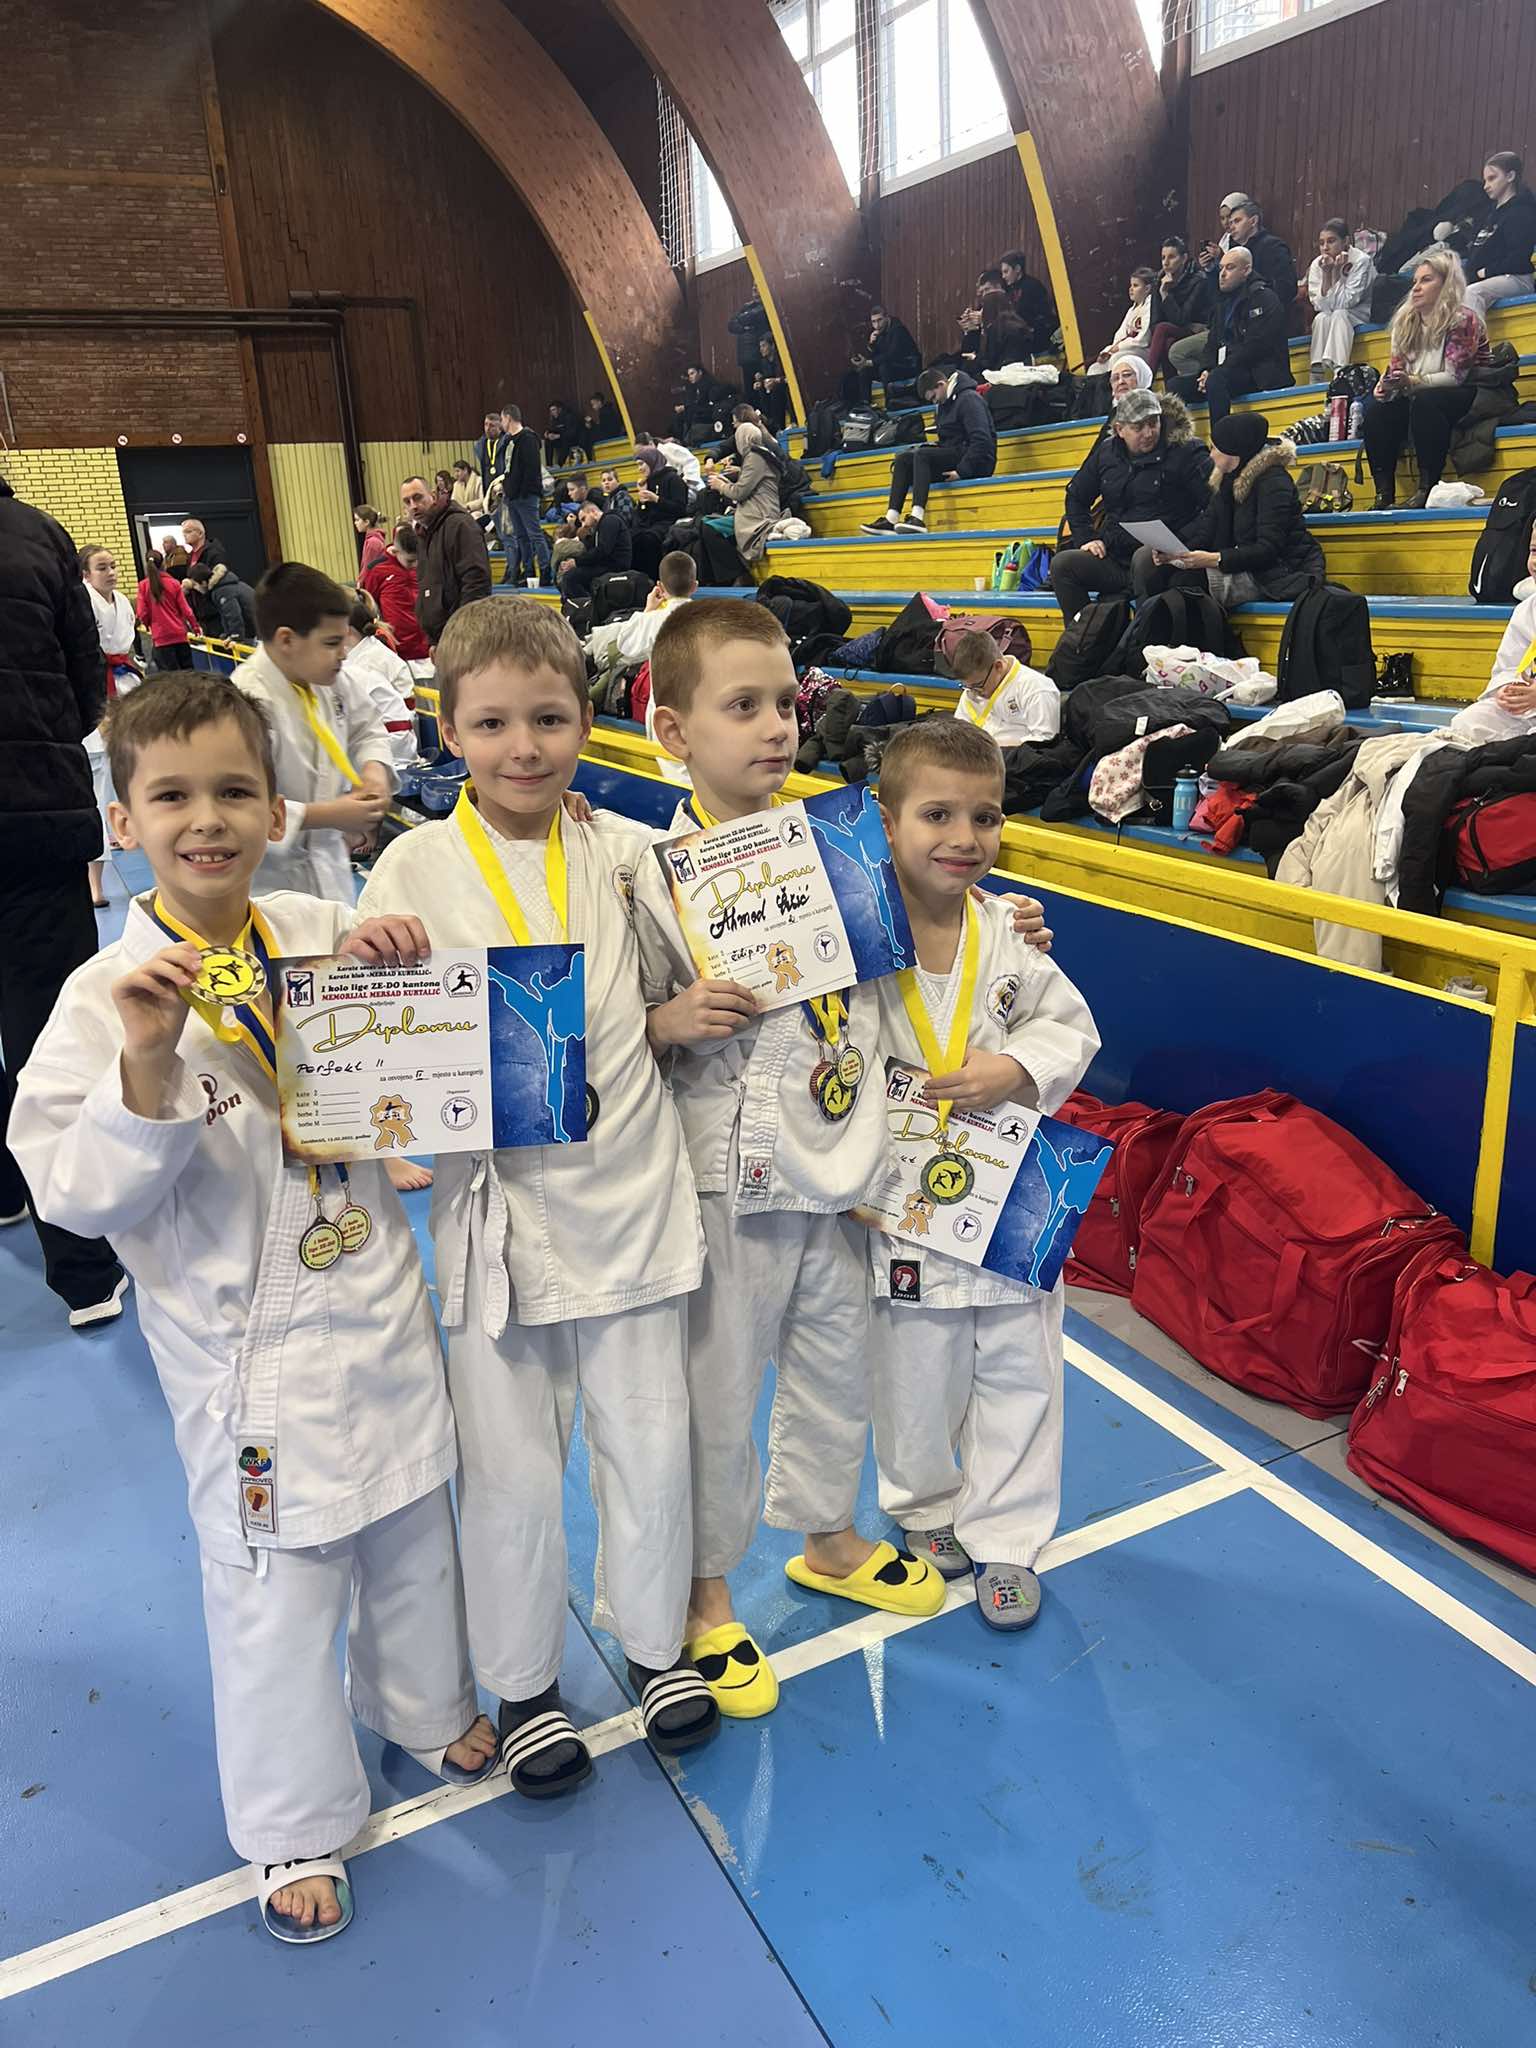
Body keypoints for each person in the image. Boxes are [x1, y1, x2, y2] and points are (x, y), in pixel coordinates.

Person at [11, 671, 496, 1945]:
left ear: (279, 810)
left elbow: (415, 1076)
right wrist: (145, 1062)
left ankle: (422, 1703)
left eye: (235, 790)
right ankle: (294, 1818)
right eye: (172, 795)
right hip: (246, 1355)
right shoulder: (102, 996)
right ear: (124, 821)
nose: (207, 818)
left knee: (414, 1524)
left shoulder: (317, 928)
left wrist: (397, 968)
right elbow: (76, 1195)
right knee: (276, 1588)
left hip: (375, 1294)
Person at [357, 597, 718, 1781]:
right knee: (509, 1467)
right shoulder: (409, 867)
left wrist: (994, 918)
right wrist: (371, 970)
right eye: (495, 723)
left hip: (630, 1187)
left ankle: (656, 1643)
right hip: (498, 1217)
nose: (525, 746)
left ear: (587, 722)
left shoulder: (627, 850)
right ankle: (523, 1685)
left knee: (650, 1439)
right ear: (448, 727)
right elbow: (369, 1053)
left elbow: (709, 954)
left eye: (550, 719)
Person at [633, 601, 948, 1719]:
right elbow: (620, 1027)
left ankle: (828, 1536)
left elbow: (895, 979)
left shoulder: (843, 846)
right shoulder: (648, 871)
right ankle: (706, 1591)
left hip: (839, 1147)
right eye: (743, 706)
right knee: (719, 1389)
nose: (776, 726)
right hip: (726, 1168)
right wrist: (667, 1020)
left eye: (784, 702)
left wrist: (1000, 925)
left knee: (837, 1364)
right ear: (673, 730)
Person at [867, 717, 1098, 1626]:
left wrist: (1016, 1068)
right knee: (911, 1371)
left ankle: (1008, 1536)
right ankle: (924, 1507)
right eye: (937, 815)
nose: (964, 838)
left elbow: (1069, 1027)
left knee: (1021, 1369)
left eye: (986, 817)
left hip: (1009, 1191)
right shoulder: (856, 934)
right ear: (887, 821)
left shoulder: (1008, 932)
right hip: (902, 1197)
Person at [0, 477, 125, 1329]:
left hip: (33, 816)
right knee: (52, 1034)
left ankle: (6, 1187)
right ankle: (83, 1268)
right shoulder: (39, 534)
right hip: (34, 814)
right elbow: (86, 687)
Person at [229, 562, 394, 903]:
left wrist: (373, 772)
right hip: (269, 882)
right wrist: (329, 815)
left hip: (330, 868)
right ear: (287, 640)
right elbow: (237, 804)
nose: (343, 653)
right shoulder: (244, 702)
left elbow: (367, 729)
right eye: (332, 642)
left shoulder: (329, 678)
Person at [1049, 388, 1209, 619]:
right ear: (1119, 429)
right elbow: (1076, 496)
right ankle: (1083, 634)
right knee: (1063, 564)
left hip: (1166, 558)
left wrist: (1180, 542)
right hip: (1115, 556)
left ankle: (1145, 636)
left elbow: (1214, 507)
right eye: (1138, 427)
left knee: (1144, 557)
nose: (1148, 432)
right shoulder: (1106, 452)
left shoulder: (1186, 451)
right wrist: (1087, 538)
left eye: (1153, 423)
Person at [1361, 247, 1490, 509]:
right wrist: (1385, 387)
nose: (1416, 288)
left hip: (1472, 392)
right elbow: (1397, 369)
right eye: (1415, 282)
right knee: (1376, 411)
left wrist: (1412, 382)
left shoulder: (1463, 319)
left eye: (1426, 280)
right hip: (1421, 392)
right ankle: (1383, 493)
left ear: (1446, 285)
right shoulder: (1405, 322)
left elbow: (1455, 377)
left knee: (1426, 402)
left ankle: (1427, 486)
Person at [1162, 411, 1325, 607]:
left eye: (1215, 448)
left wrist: (1215, 559)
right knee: (1165, 574)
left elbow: (1268, 549)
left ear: (1234, 453)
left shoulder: (1274, 482)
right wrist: (1174, 552)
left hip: (1279, 572)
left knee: (1186, 584)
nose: (1210, 455)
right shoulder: (1227, 479)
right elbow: (1206, 530)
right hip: (1244, 564)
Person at [859, 364, 997, 536]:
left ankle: (917, 518)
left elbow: (982, 441)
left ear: (941, 384)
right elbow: (947, 442)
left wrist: (963, 471)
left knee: (922, 455)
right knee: (903, 459)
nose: (934, 402)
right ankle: (891, 519)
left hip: (977, 463)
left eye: (933, 397)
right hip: (957, 455)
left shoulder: (969, 399)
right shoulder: (944, 404)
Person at [79, 543, 142, 909]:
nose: (112, 572)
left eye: (113, 566)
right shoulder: (81, 603)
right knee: (98, 786)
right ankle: (95, 881)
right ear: (85, 574)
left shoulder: (122, 602)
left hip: (125, 685)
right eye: (102, 567)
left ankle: (125, 832)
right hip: (94, 691)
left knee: (133, 770)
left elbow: (126, 649)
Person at [1177, 244, 1292, 427]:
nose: (1222, 274)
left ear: (1246, 270)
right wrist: (1206, 369)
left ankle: (1221, 440)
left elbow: (1255, 347)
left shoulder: (1264, 298)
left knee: (1217, 380)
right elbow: (1211, 343)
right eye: (1221, 267)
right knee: (1175, 387)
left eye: (1230, 268)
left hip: (1259, 373)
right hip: (1230, 370)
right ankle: (1181, 442)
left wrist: (1217, 371)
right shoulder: (1222, 303)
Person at [401, 473, 492, 645]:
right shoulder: (423, 533)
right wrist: (432, 640)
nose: (413, 506)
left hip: (463, 639)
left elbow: (476, 583)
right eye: (407, 501)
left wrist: (463, 635)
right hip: (440, 640)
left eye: (418, 497)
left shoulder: (460, 525)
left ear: (433, 495)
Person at [1454, 152, 1536, 319]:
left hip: (1517, 278)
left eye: (1492, 178)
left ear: (1510, 176)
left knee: (1472, 293)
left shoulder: (1522, 212)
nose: (1486, 186)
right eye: (1485, 180)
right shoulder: (1489, 214)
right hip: (1491, 278)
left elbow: (1519, 257)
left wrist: (1485, 272)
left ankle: (1471, 337)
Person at [947, 628, 1061, 745]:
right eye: (967, 687)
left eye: (979, 685)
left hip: (1018, 754)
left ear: (998, 666)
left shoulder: (1036, 688)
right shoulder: (972, 689)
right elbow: (961, 734)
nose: (974, 692)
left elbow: (1044, 740)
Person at [342, 597, 417, 769]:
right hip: (388, 738)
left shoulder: (371, 660)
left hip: (394, 747)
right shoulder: (363, 653)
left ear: (346, 630)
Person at [1077, 269, 1158, 414]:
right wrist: (1106, 352)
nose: (1130, 289)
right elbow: (1118, 338)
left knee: (1118, 360)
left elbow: (1144, 339)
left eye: (1135, 285)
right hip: (1127, 350)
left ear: (1147, 288)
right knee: (1095, 368)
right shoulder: (1131, 310)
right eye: (1130, 285)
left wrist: (1118, 348)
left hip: (1143, 351)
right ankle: (1097, 408)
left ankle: (1116, 404)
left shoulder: (1151, 305)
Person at [705, 421, 782, 563]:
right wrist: (724, 481)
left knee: (708, 527)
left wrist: (720, 486)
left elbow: (739, 493)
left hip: (758, 515)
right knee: (705, 523)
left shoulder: (755, 457)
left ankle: (736, 571)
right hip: (758, 509)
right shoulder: (759, 454)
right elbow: (746, 487)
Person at [1307, 219, 1376, 376]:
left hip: (1361, 312)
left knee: (1339, 314)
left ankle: (1340, 369)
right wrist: (1327, 274)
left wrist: (1337, 273)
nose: (1325, 247)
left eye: (1331, 241)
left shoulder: (1361, 260)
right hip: (1334, 313)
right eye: (1321, 243)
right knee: (1321, 318)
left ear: (1345, 241)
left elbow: (1347, 302)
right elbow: (1320, 306)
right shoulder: (1317, 264)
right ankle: (1317, 370)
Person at [496, 405, 553, 590]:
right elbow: (509, 469)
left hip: (526, 496)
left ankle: (545, 571)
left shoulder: (527, 438)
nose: (501, 423)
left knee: (535, 534)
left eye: (502, 419)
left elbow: (531, 469)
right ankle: (528, 572)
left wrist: (521, 491)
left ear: (508, 417)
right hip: (512, 496)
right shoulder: (508, 441)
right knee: (521, 536)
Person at [1144, 236, 1215, 379]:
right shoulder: (1158, 281)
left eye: (1171, 257)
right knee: (1167, 341)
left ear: (1183, 258)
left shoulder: (1198, 279)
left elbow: (1182, 319)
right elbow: (1154, 322)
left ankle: (1147, 380)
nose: (1166, 262)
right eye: (1163, 257)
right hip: (1172, 332)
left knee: (1163, 328)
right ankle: (1170, 389)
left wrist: (1165, 294)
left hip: (1196, 332)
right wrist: (1162, 290)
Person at [359, 523, 431, 663]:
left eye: (418, 559)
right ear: (396, 551)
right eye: (410, 561)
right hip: (399, 651)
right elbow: (369, 605)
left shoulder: (423, 564)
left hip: (427, 646)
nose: (415, 565)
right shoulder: (377, 570)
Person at [1224, 198, 1298, 309]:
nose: (1232, 227)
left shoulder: (1274, 247)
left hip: (1266, 311)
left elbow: (1287, 287)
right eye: (1230, 223)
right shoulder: (1233, 250)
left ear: (1253, 221)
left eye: (1237, 221)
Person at [558, 495, 634, 605]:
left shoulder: (610, 521)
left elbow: (603, 551)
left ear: (593, 512)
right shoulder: (599, 526)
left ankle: (588, 607)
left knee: (571, 577)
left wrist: (577, 562)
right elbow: (593, 550)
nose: (583, 524)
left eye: (583, 519)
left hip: (614, 566)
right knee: (566, 575)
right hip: (605, 564)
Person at [844, 303, 923, 407]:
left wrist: (868, 362)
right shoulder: (879, 332)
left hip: (908, 366)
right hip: (891, 366)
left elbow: (891, 355)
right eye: (874, 321)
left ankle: (890, 402)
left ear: (887, 317)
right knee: (865, 370)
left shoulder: (898, 330)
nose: (877, 325)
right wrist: (871, 344)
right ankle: (865, 404)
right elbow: (876, 356)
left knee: (884, 368)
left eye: (879, 320)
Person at [630, 445, 690, 575]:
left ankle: (655, 576)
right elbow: (642, 514)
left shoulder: (673, 479)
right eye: (637, 465)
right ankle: (638, 579)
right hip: (650, 524)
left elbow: (680, 509)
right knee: (631, 537)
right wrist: (642, 502)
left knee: (648, 539)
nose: (639, 469)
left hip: (669, 522)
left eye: (641, 464)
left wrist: (657, 499)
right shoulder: (648, 482)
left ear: (651, 461)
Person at [135, 549, 198, 668]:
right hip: (180, 635)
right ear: (163, 563)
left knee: (169, 676)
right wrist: (195, 626)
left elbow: (142, 612)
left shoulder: (143, 586)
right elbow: (186, 610)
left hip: (161, 638)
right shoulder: (174, 583)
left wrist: (148, 624)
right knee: (188, 673)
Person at [183, 560, 258, 640]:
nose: (195, 588)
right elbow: (225, 615)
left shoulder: (222, 591)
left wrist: (235, 638)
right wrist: (228, 634)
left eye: (195, 585)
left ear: (204, 583)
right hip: (257, 623)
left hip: (258, 626)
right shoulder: (222, 585)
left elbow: (233, 616)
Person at [999, 249, 1056, 352]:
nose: (1003, 276)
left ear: (1017, 268)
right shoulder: (1009, 288)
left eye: (1006, 271)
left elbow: (1041, 316)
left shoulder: (1033, 286)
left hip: (1035, 340)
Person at [674, 362, 734, 444]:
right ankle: (682, 441)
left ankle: (685, 441)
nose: (690, 377)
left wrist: (686, 407)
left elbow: (703, 404)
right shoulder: (694, 386)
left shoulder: (707, 384)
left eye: (692, 373)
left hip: (710, 412)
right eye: (689, 375)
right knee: (680, 417)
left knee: (689, 415)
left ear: (700, 372)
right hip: (700, 411)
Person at [727, 290, 772, 396]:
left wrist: (742, 319)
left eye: (757, 287)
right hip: (746, 357)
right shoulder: (747, 306)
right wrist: (744, 328)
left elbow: (748, 317)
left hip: (759, 355)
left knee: (762, 389)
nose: (754, 290)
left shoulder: (765, 306)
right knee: (750, 390)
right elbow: (731, 324)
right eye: (753, 287)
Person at [639, 429, 704, 492]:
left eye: (642, 450)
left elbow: (691, 461)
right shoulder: (651, 463)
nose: (642, 454)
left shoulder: (668, 448)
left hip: (692, 489)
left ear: (651, 444)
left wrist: (687, 481)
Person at [751, 335, 789, 434]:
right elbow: (767, 378)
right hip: (772, 391)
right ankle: (768, 420)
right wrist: (759, 382)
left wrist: (776, 381)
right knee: (760, 391)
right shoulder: (764, 362)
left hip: (783, 388)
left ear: (772, 346)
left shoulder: (781, 359)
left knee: (776, 391)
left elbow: (789, 378)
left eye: (764, 346)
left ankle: (780, 424)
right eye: (760, 346)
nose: (761, 349)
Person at [473, 410, 508, 501]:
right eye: (486, 424)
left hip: (504, 490)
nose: (488, 428)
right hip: (488, 490)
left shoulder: (507, 443)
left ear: (500, 427)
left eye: (492, 425)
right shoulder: (481, 445)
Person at [542, 400, 586, 468]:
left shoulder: (569, 417)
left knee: (565, 440)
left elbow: (572, 433)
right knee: (548, 441)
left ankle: (560, 464)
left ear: (559, 409)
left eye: (554, 410)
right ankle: (549, 465)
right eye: (551, 411)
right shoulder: (554, 419)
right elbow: (553, 429)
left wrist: (559, 436)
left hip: (573, 439)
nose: (552, 412)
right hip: (561, 439)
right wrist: (548, 433)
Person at [353, 505, 390, 574]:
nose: (355, 523)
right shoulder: (372, 539)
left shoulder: (372, 542)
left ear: (366, 522)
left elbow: (368, 569)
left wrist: (361, 579)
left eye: (357, 520)